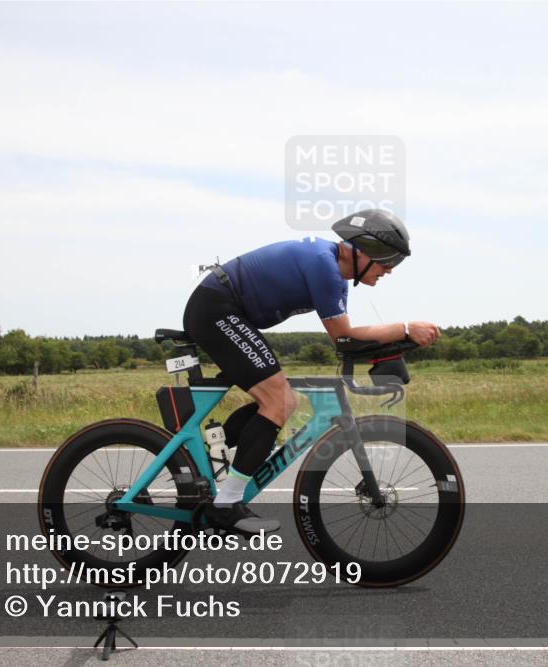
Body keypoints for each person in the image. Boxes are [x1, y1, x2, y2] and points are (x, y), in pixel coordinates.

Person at [182, 209, 441, 534]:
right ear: (362, 249)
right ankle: (226, 505)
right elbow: (345, 335)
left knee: (279, 401)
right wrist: (404, 328)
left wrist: (396, 347)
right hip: (216, 308)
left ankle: (206, 453)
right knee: (279, 401)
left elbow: (345, 340)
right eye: (388, 260)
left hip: (227, 311)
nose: (390, 270)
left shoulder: (337, 277)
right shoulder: (324, 265)